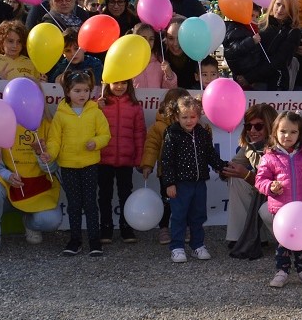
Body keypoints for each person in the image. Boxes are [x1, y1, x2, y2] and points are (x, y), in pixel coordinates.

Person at [41, 69, 110, 257]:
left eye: (86, 90)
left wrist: (95, 142)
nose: (82, 94)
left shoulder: (95, 112)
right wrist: (50, 154)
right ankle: (75, 240)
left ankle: (95, 241)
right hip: (68, 165)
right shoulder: (61, 114)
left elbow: (105, 134)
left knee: (90, 203)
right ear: (68, 92)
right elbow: (55, 139)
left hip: (90, 164)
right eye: (77, 91)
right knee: (73, 204)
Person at [255, 111, 302, 288]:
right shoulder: (269, 157)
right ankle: (282, 271)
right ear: (275, 132)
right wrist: (270, 186)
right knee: (283, 242)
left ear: (300, 134)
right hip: (281, 211)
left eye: (293, 132)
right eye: (283, 131)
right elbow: (260, 180)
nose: (288, 136)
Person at [0, 119, 64, 256]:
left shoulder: (48, 125)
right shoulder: (2, 123)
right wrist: (8, 176)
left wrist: (40, 155)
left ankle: (29, 222)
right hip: (9, 189)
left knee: (51, 221)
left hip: (38, 190)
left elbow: (53, 169)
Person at [160, 95, 227, 263]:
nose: (189, 121)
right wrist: (169, 183)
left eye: (192, 117)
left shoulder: (202, 133)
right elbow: (166, 161)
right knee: (179, 216)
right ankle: (177, 247)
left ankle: (197, 245)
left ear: (198, 116)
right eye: (184, 117)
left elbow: (210, 154)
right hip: (180, 185)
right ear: (176, 117)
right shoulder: (171, 134)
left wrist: (221, 166)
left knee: (198, 215)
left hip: (199, 183)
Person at [220, 103, 278, 246]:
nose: (252, 130)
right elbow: (233, 166)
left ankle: (291, 240)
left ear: (270, 126)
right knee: (235, 177)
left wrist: (247, 175)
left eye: (258, 126)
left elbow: (277, 187)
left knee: (265, 209)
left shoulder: (281, 147)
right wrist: (222, 169)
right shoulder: (250, 147)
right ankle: (243, 237)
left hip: (286, 200)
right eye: (248, 126)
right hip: (270, 197)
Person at [97, 79, 146, 244]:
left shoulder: (135, 106)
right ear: (107, 84)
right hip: (103, 159)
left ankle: (126, 227)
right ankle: (105, 227)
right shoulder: (99, 104)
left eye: (123, 83)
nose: (119, 87)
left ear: (129, 85)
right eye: (115, 83)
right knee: (104, 196)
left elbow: (140, 134)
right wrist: (96, 109)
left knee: (126, 195)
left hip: (126, 159)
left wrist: (139, 158)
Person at [140, 88, 190, 245]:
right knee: (167, 201)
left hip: (187, 172)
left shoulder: (191, 124)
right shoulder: (158, 126)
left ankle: (185, 227)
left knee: (186, 201)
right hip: (166, 173)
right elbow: (151, 146)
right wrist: (147, 164)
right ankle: (163, 228)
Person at [224, 0, 301, 90]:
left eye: (285, 6)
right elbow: (240, 49)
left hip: (274, 84)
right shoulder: (260, 24)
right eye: (278, 4)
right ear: (273, 4)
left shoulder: (293, 32)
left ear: (292, 9)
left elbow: (279, 61)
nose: (280, 9)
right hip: (247, 83)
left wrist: (249, 77)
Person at [131, 23, 176, 89]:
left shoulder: (161, 62)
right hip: (135, 99)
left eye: (151, 39)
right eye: (144, 38)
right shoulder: (129, 61)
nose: (148, 42)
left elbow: (169, 90)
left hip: (156, 99)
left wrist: (169, 75)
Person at [163, 16, 195, 88]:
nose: (175, 43)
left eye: (180, 38)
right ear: (166, 39)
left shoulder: (197, 58)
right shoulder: (160, 57)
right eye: (171, 38)